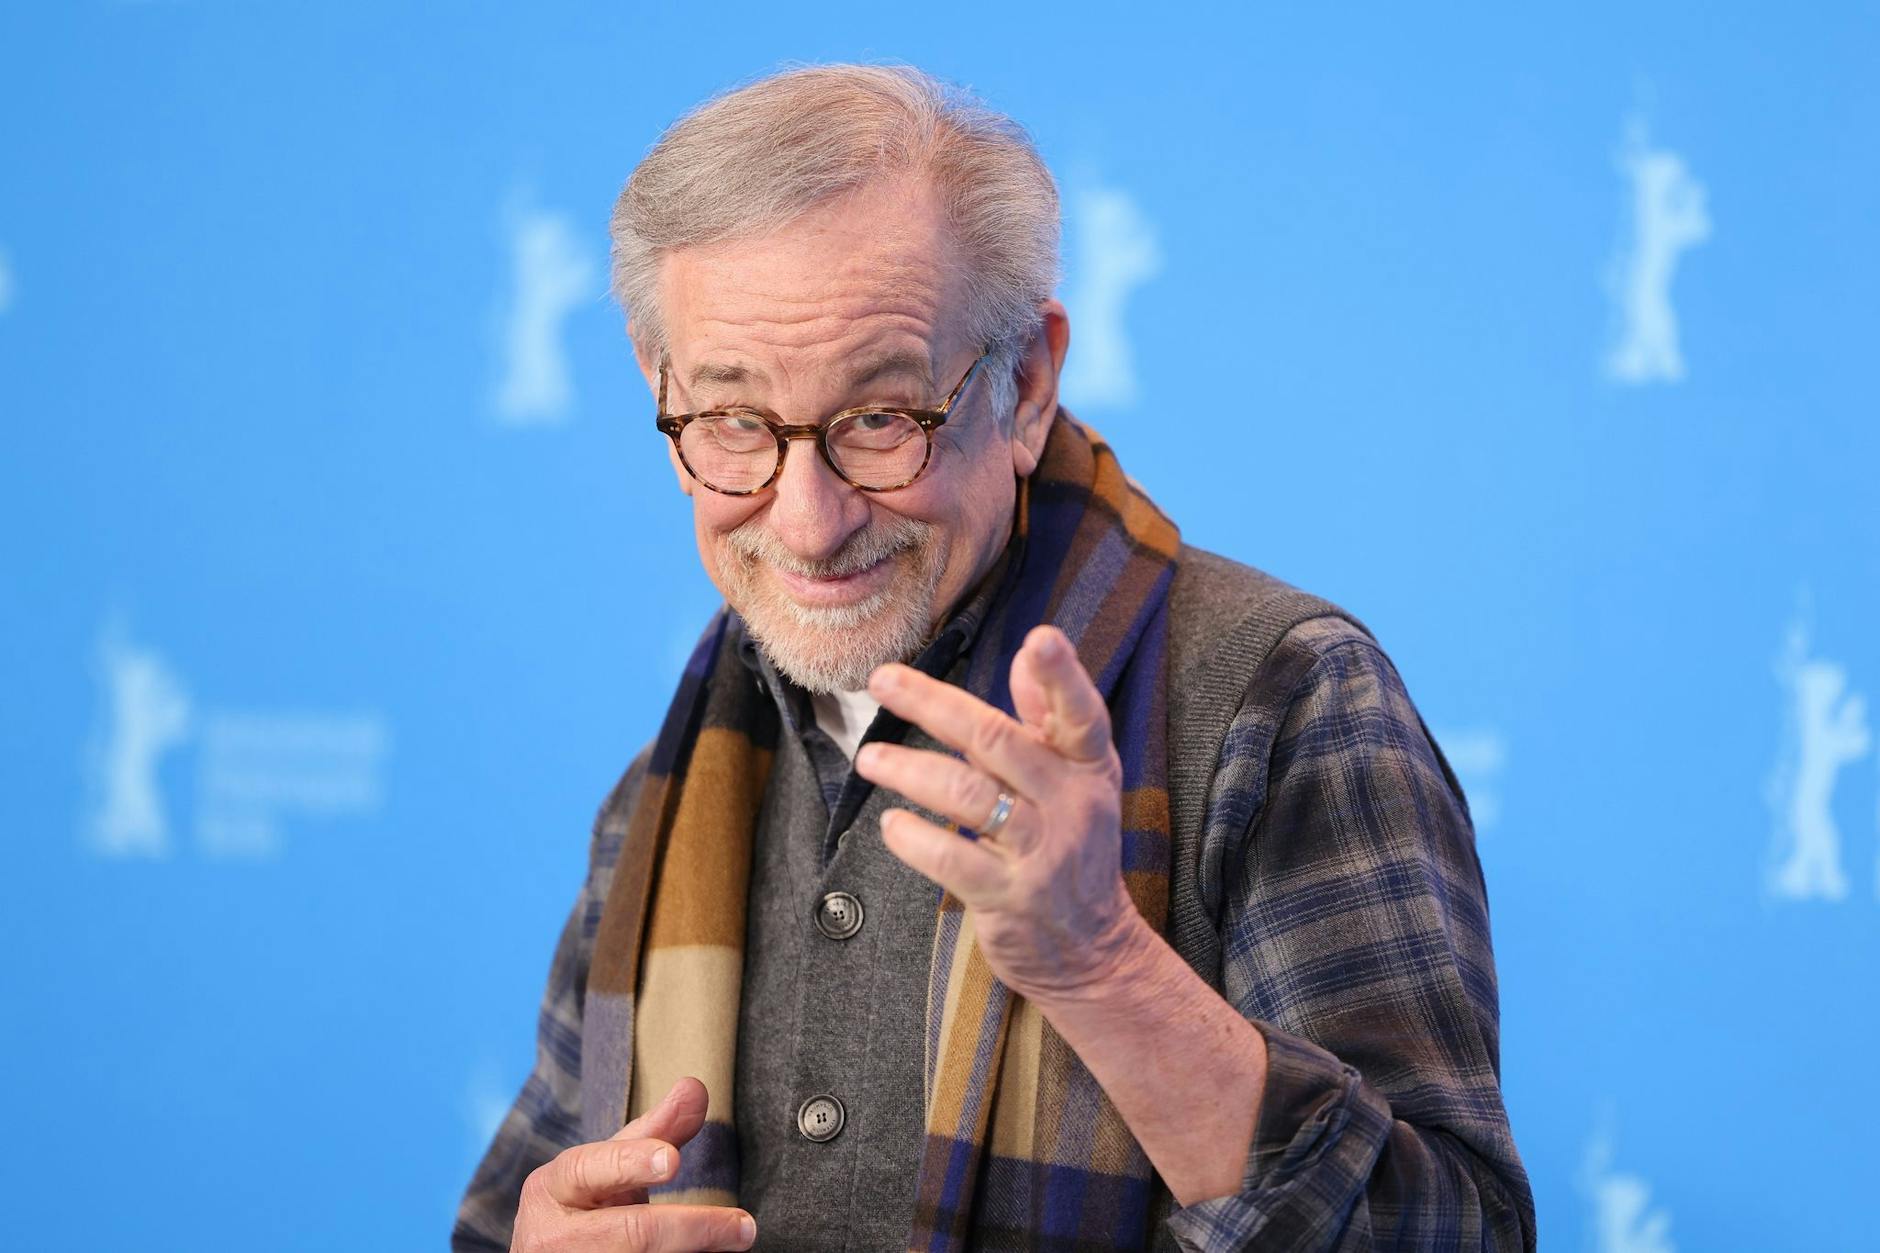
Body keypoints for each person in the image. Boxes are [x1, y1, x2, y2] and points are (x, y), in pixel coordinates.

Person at [455, 64, 1534, 1252]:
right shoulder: (658, 800)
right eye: (735, 422)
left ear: (1024, 386)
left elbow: (1455, 1237)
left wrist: (1106, 966)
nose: (806, 521)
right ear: (661, 396)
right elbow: (508, 1216)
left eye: (879, 417)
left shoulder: (1281, 699)